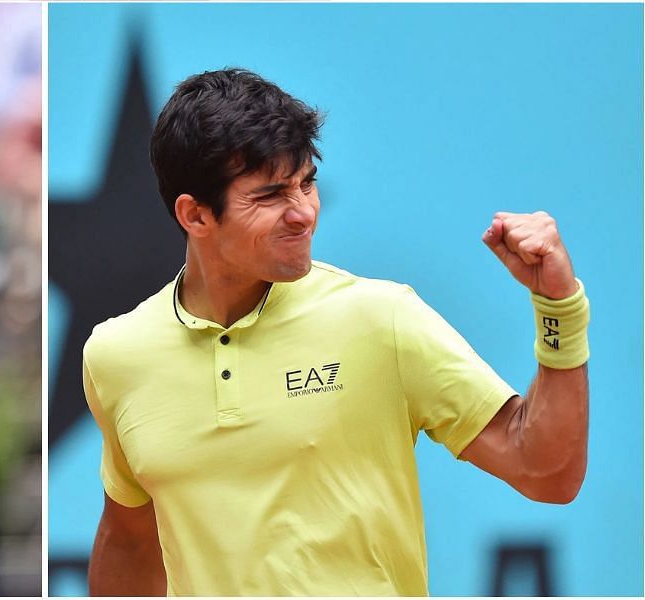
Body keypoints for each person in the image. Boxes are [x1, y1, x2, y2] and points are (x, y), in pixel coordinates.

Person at [83, 68, 589, 596]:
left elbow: (546, 472)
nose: (303, 213)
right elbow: (131, 539)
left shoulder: (381, 318)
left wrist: (559, 307)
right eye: (271, 194)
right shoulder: (117, 355)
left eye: (307, 182)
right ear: (196, 215)